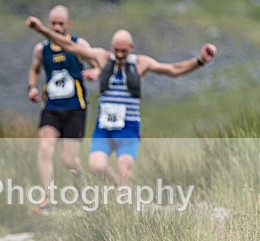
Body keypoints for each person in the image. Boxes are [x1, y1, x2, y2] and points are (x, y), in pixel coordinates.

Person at [26, 17, 216, 185]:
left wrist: (200, 60)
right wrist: (42, 30)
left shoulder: (140, 63)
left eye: (123, 51)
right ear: (111, 47)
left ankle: (126, 212)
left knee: (125, 168)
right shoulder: (102, 58)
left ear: (131, 48)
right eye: (116, 50)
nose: (119, 54)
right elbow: (70, 46)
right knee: (96, 166)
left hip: (128, 128)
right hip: (104, 128)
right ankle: (119, 187)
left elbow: (174, 70)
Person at [27, 5, 99, 214]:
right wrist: (32, 87)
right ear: (49, 24)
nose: (57, 27)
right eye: (54, 23)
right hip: (51, 108)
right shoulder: (42, 49)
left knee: (68, 159)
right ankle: (47, 198)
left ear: (68, 24)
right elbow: (34, 70)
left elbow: (98, 62)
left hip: (75, 108)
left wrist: (94, 71)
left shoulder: (78, 44)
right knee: (45, 148)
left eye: (61, 23)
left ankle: (84, 188)